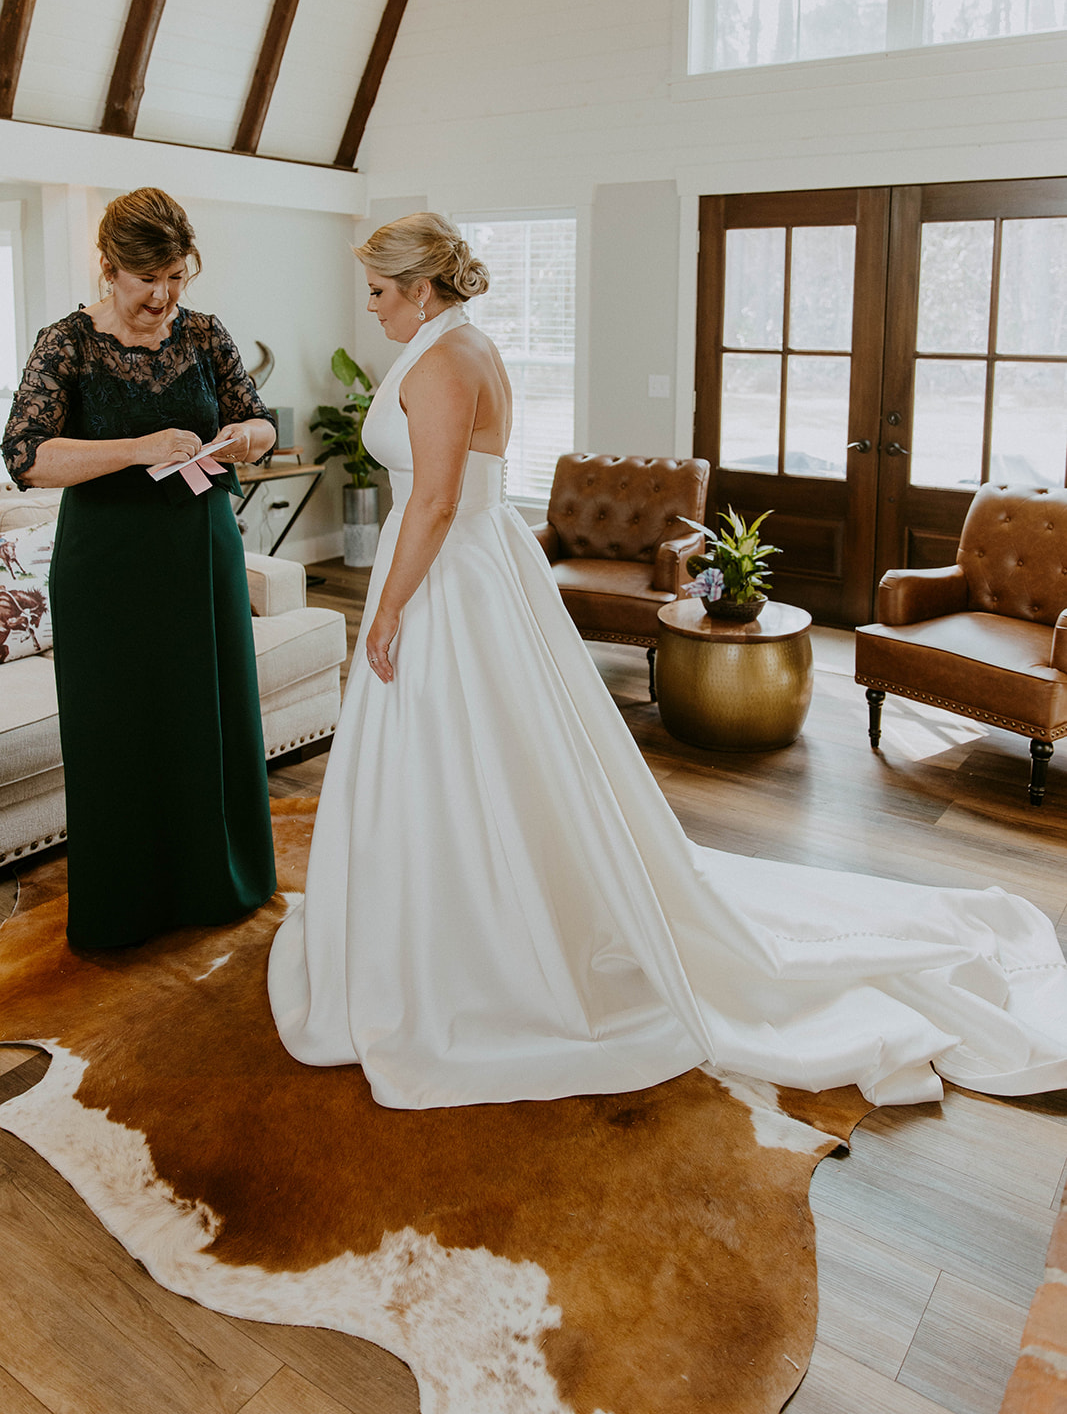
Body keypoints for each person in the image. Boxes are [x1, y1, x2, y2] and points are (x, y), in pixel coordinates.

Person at [268, 212, 1067, 1110]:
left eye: (377, 293)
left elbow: (438, 500)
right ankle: (439, 897)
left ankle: (477, 928)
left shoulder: (449, 358)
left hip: (446, 574)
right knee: (482, 745)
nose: (369, 310)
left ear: (419, 288)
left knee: (466, 738)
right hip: (468, 567)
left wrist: (387, 609)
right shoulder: (460, 344)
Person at [1, 187, 278, 949]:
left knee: (207, 716)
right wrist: (137, 447)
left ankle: (218, 884)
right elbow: (26, 457)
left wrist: (246, 437)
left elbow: (261, 417)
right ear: (107, 267)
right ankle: (126, 906)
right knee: (116, 729)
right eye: (146, 278)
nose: (162, 297)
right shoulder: (68, 343)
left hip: (200, 554)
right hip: (107, 567)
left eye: (176, 278)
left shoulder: (203, 334)